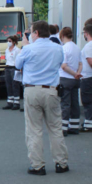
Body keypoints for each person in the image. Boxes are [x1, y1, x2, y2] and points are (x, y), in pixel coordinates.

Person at [15, 20, 69, 175]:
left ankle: (38, 165)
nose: (30, 35)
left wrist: (23, 46)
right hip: (51, 89)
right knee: (55, 127)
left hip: (32, 90)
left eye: (31, 32)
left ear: (36, 33)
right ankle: (61, 163)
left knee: (34, 129)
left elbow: (18, 65)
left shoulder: (28, 48)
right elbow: (59, 64)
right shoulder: (58, 48)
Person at [59, 27, 82, 136]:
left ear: (62, 36)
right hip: (75, 81)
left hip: (65, 79)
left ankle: (64, 128)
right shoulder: (77, 48)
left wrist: (74, 73)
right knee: (75, 103)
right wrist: (77, 73)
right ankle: (75, 126)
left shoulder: (64, 49)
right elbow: (81, 64)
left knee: (65, 104)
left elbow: (63, 66)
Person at [3, 35, 21, 110]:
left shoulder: (17, 50)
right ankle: (10, 102)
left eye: (10, 41)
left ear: (14, 42)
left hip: (14, 68)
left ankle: (16, 103)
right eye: (8, 41)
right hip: (7, 67)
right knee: (8, 85)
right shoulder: (7, 50)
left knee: (15, 85)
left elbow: (18, 60)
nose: (8, 43)